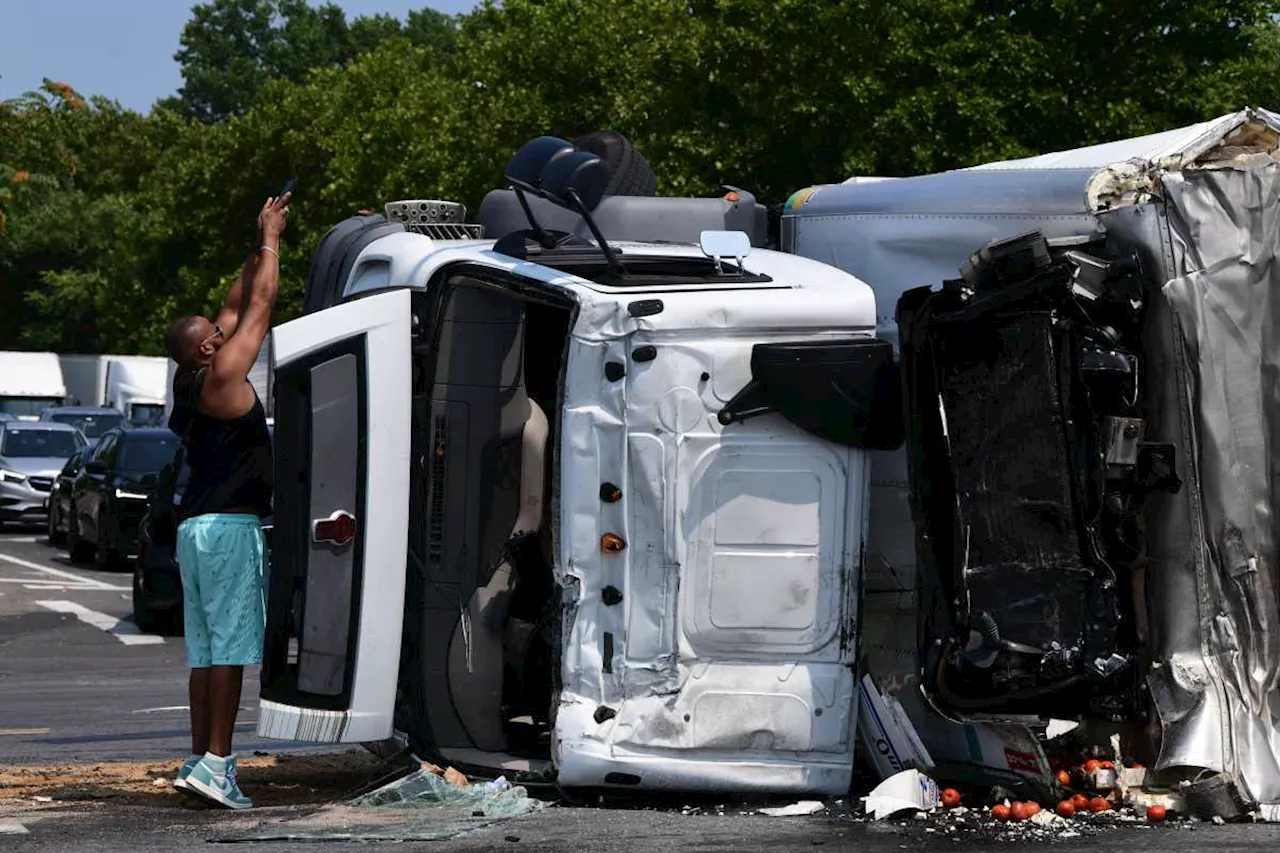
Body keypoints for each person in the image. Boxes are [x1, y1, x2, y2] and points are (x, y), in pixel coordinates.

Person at [161, 192, 289, 809]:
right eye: (218, 334)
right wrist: (273, 241)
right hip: (230, 530)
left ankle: (196, 759)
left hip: (194, 530)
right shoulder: (223, 379)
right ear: (209, 350)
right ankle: (218, 763)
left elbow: (238, 301)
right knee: (234, 652)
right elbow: (260, 307)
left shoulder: (189, 379)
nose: (226, 330)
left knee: (206, 652)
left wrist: (254, 239)